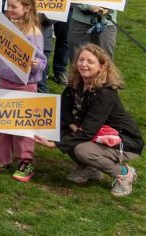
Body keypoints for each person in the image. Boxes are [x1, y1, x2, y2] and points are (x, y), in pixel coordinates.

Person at [34, 44, 142, 197]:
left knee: (82, 149)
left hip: (123, 141)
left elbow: (88, 132)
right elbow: (63, 109)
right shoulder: (76, 83)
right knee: (60, 129)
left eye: (90, 62)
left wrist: (55, 144)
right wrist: (72, 126)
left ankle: (124, 173)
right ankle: (92, 169)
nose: (83, 65)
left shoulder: (106, 93)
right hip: (94, 133)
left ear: (101, 66)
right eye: (81, 60)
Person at [0, 0, 48, 181]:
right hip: (4, 81)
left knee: (22, 126)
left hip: (25, 85)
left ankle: (25, 161)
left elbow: (41, 60)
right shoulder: (6, 25)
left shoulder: (34, 32)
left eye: (13, 6)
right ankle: (1, 159)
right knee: (1, 124)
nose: (9, 10)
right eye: (8, 6)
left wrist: (36, 66)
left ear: (27, 8)